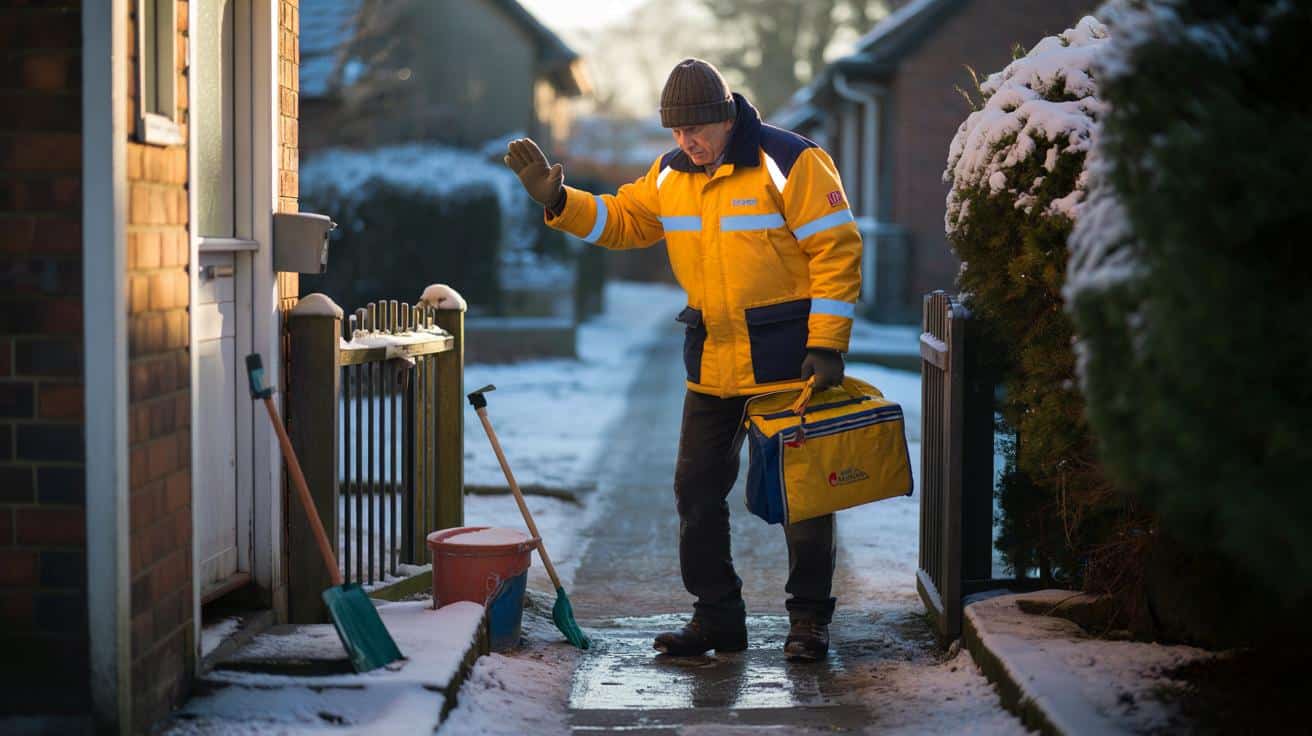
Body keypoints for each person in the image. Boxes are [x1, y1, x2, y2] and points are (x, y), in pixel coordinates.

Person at [504, 58, 861, 662]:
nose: (685, 142)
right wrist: (560, 200)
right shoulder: (671, 173)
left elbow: (837, 249)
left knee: (804, 496)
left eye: (694, 129)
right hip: (714, 362)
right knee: (695, 492)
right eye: (675, 131)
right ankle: (718, 618)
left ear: (725, 118)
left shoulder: (792, 161)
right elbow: (624, 221)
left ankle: (808, 622)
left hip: (789, 363)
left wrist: (827, 343)